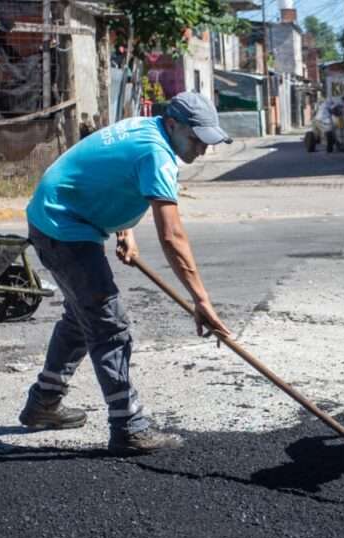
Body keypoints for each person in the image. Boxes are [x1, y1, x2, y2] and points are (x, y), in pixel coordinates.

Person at [19, 91, 233, 455]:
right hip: (62, 226)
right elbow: (173, 236)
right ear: (172, 124)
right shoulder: (156, 153)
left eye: (207, 141)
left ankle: (44, 401)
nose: (202, 149)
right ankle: (128, 425)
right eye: (196, 140)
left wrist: (124, 229)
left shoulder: (146, 131)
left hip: (57, 216)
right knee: (107, 322)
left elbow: (112, 174)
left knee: (80, 317)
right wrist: (201, 300)